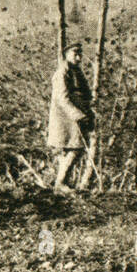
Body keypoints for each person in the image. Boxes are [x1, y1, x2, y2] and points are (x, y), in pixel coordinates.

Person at [48, 41, 93, 193]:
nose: (79, 58)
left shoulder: (76, 72)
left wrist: (88, 112)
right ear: (66, 55)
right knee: (74, 149)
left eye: (80, 54)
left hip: (77, 117)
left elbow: (86, 95)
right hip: (65, 119)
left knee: (76, 150)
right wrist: (77, 115)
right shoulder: (62, 73)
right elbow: (62, 98)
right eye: (75, 54)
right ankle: (60, 183)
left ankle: (62, 182)